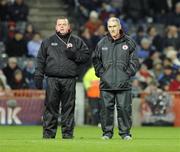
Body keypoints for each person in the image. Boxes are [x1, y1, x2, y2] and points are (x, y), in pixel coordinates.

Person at [34, 17, 90, 139]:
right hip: (52, 79)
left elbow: (86, 56)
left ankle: (67, 134)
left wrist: (74, 55)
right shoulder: (47, 42)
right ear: (56, 27)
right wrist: (38, 75)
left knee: (68, 108)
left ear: (69, 26)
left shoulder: (76, 41)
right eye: (59, 24)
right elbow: (40, 60)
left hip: (69, 79)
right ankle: (48, 134)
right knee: (50, 107)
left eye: (64, 24)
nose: (62, 26)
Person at [92, 17, 140, 140]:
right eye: (110, 27)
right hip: (106, 84)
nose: (112, 29)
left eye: (114, 26)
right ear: (108, 28)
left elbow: (134, 61)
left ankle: (125, 134)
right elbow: (96, 60)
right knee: (106, 110)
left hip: (123, 84)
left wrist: (127, 73)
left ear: (119, 27)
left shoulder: (129, 42)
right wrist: (101, 73)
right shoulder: (102, 43)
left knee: (124, 109)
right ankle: (107, 133)